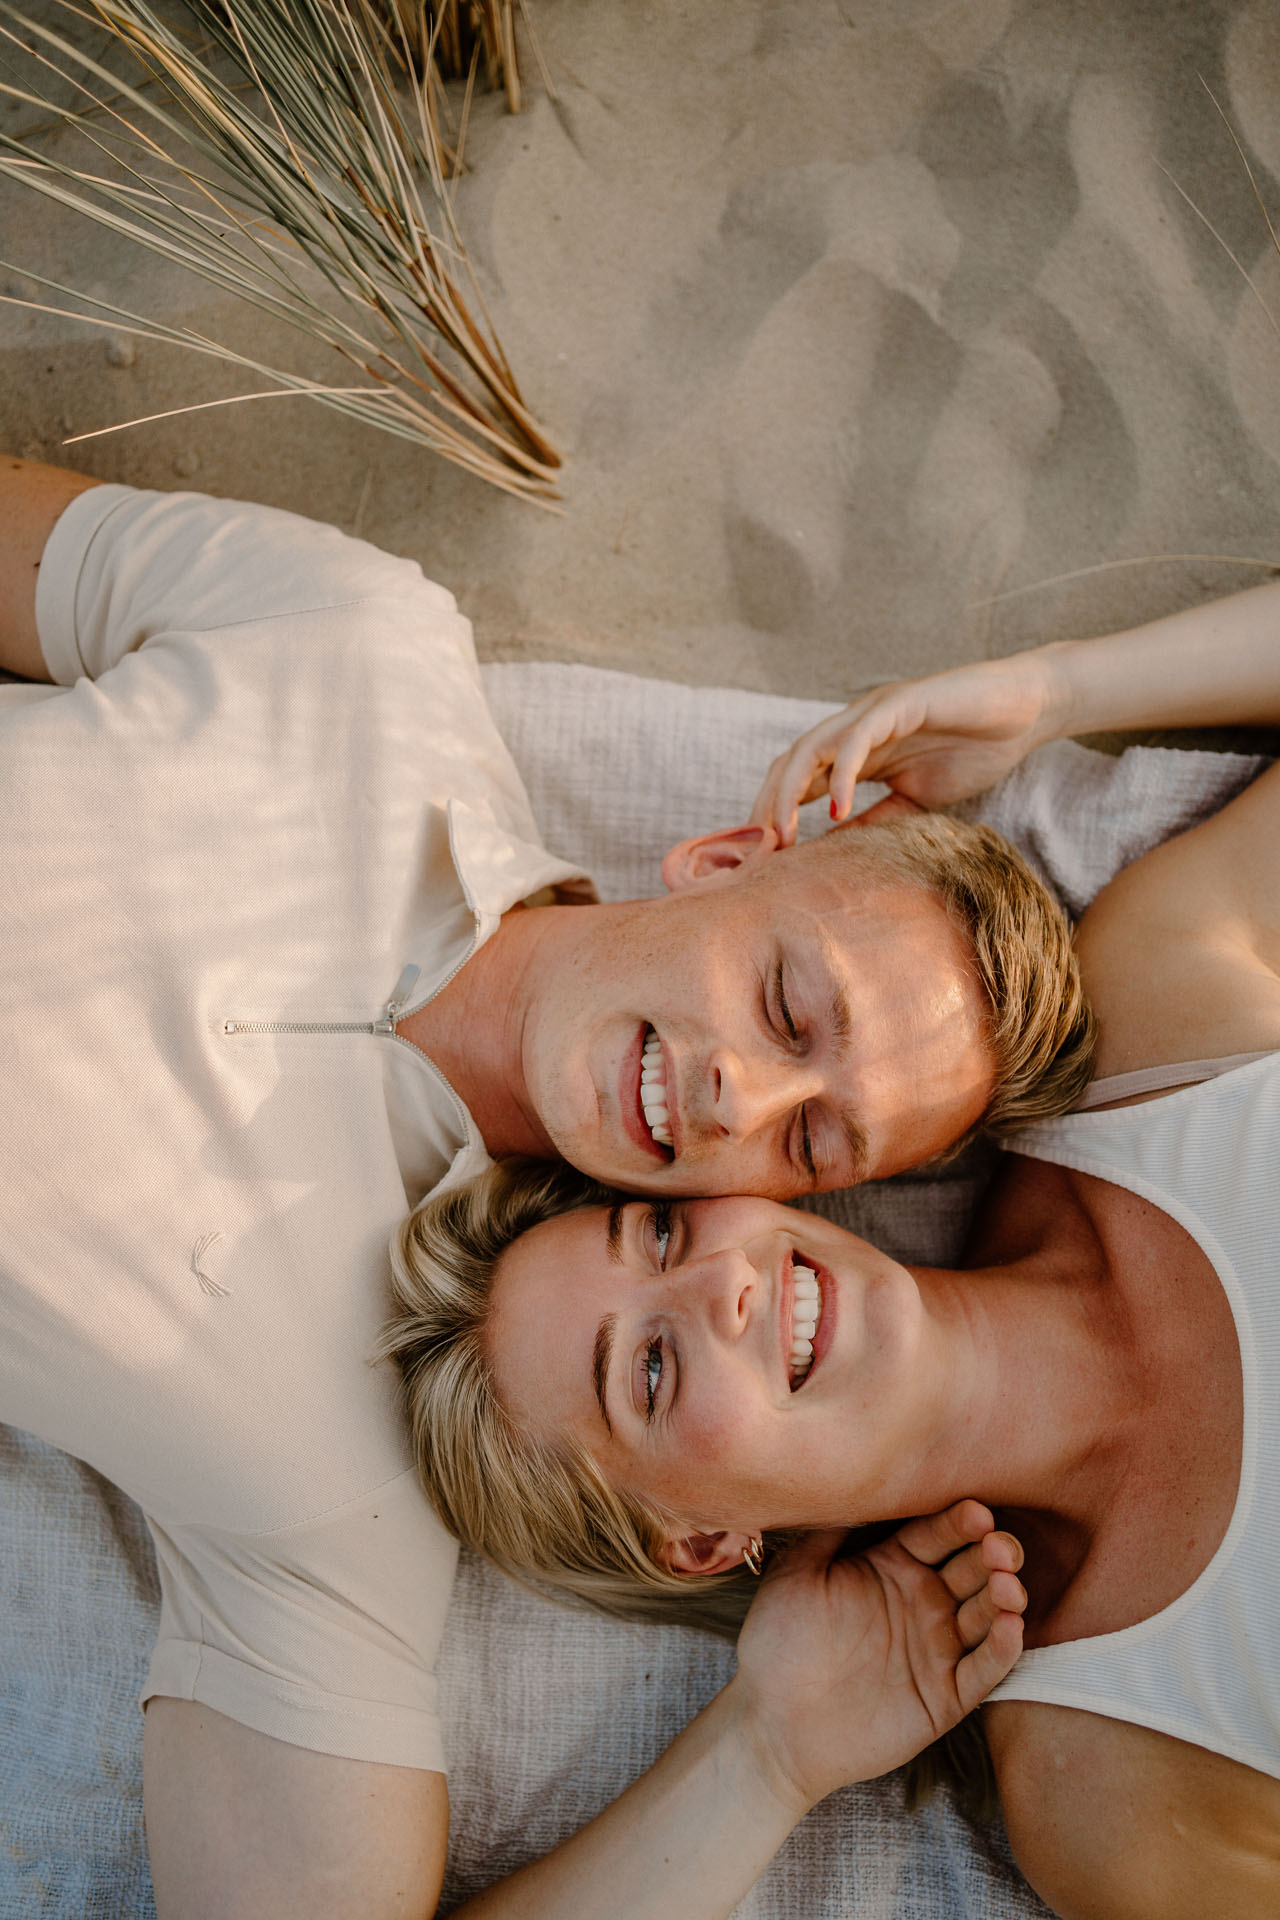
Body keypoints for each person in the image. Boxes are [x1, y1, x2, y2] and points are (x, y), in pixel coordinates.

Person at [1, 453, 1078, 1918]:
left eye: (814, 1143)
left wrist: (761, 1757)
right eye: (782, 1003)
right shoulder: (360, 642)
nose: (736, 1096)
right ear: (720, 859)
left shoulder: (339, 1490)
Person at [384, 576, 1280, 1919]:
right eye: (651, 1373)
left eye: (663, 1229)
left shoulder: (1169, 1030)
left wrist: (1060, 693)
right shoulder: (1114, 1784)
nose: (721, 1287)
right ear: (701, 1539)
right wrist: (763, 1752)